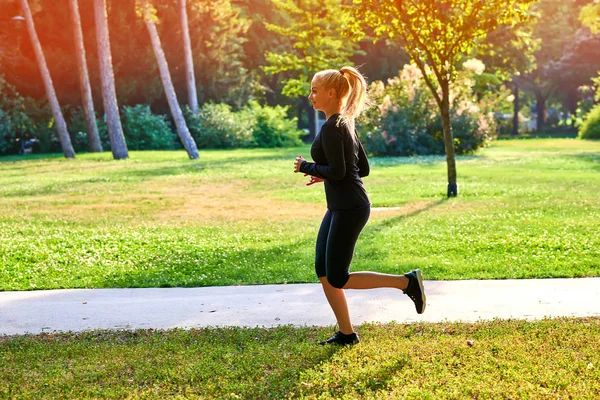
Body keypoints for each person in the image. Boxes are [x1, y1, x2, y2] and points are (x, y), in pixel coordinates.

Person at [293, 66, 426, 346]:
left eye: (315, 90)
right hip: (343, 205)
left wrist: (307, 166)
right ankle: (346, 333)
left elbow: (342, 172)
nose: (310, 95)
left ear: (331, 93)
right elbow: (361, 168)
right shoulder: (345, 123)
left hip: (349, 207)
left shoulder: (333, 127)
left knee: (338, 276)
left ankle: (407, 282)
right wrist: (323, 172)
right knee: (324, 270)